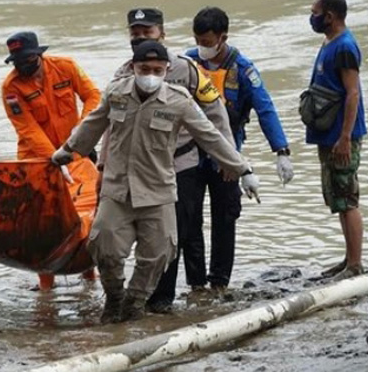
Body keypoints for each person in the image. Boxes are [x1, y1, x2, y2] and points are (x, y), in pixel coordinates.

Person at [52, 41, 258, 324]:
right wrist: (67, 151)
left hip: (158, 191)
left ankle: (134, 304)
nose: (150, 74)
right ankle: (114, 299)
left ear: (166, 70)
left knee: (159, 254)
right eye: (144, 69)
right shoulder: (116, 93)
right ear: (133, 68)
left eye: (156, 70)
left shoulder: (179, 100)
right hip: (118, 190)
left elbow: (209, 135)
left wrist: (242, 169)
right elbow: (94, 123)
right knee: (104, 247)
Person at [101, 8, 237, 313]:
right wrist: (102, 163)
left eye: (146, 33)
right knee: (126, 234)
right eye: (135, 34)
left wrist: (231, 160)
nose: (139, 38)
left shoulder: (187, 70)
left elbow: (214, 114)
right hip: (136, 170)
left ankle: (162, 300)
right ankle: (138, 297)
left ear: (162, 33)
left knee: (173, 236)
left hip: (181, 164)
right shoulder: (123, 74)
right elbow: (111, 123)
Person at [185, 6, 294, 293]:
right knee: (189, 218)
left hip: (228, 154)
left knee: (225, 217)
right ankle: (196, 283)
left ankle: (219, 282)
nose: (202, 48)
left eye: (207, 42)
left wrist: (281, 151)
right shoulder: (188, 62)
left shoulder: (243, 69)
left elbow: (265, 108)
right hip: (191, 154)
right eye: (198, 41)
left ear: (223, 38)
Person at [1, 31, 102, 291]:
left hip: (76, 149)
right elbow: (28, 129)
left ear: (39, 55)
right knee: (43, 219)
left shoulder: (66, 67)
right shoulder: (11, 88)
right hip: (36, 158)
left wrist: (81, 135)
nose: (23, 66)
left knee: (86, 207)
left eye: (28, 59)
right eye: (18, 62)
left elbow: (93, 96)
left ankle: (89, 271)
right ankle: (46, 283)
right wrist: (57, 160)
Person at [305, 0, 367, 280]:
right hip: (329, 135)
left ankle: (355, 264)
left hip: (342, 136)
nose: (312, 17)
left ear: (329, 16)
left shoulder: (344, 46)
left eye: (315, 13)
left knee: (347, 196)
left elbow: (352, 93)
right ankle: (348, 259)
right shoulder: (330, 42)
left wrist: (345, 137)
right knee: (338, 199)